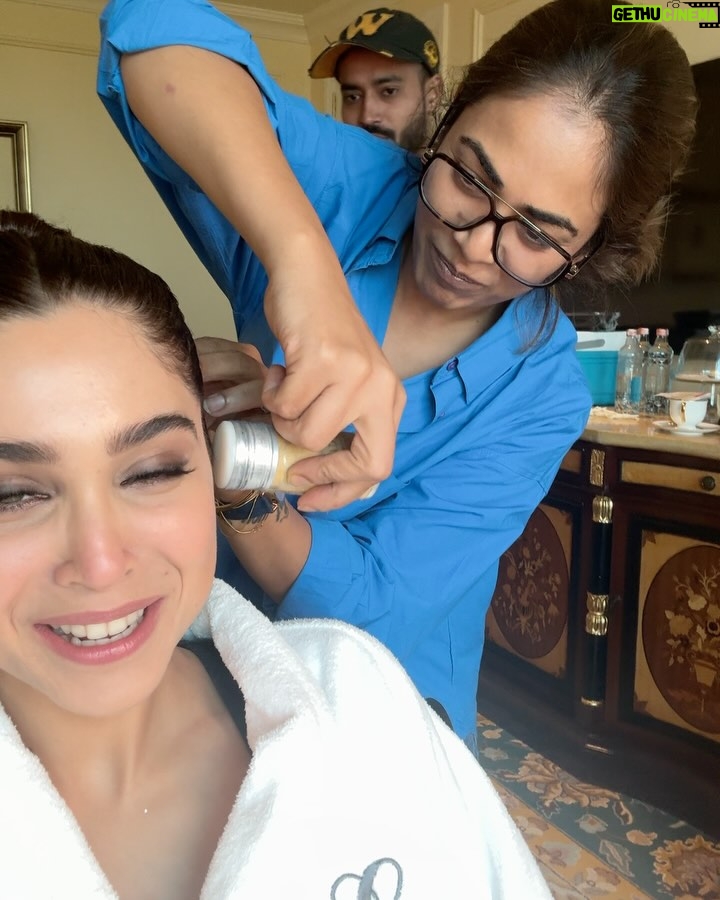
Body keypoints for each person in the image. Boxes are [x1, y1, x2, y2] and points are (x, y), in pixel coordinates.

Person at [97, 0, 697, 749]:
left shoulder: (542, 396)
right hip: (217, 648)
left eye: (536, 234)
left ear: (593, 251)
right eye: (469, 177)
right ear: (446, 120)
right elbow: (151, 29)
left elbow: (375, 606)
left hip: (386, 703)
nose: (473, 246)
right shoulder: (351, 188)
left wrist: (241, 473)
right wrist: (304, 264)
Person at [0, 209, 553, 899]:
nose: (102, 562)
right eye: (12, 495)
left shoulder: (356, 696)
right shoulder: (344, 197)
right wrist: (298, 257)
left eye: (151, 472)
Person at [307, 7, 443, 152]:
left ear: (432, 94)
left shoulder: (454, 164)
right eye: (353, 97)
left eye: (389, 91)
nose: (367, 118)